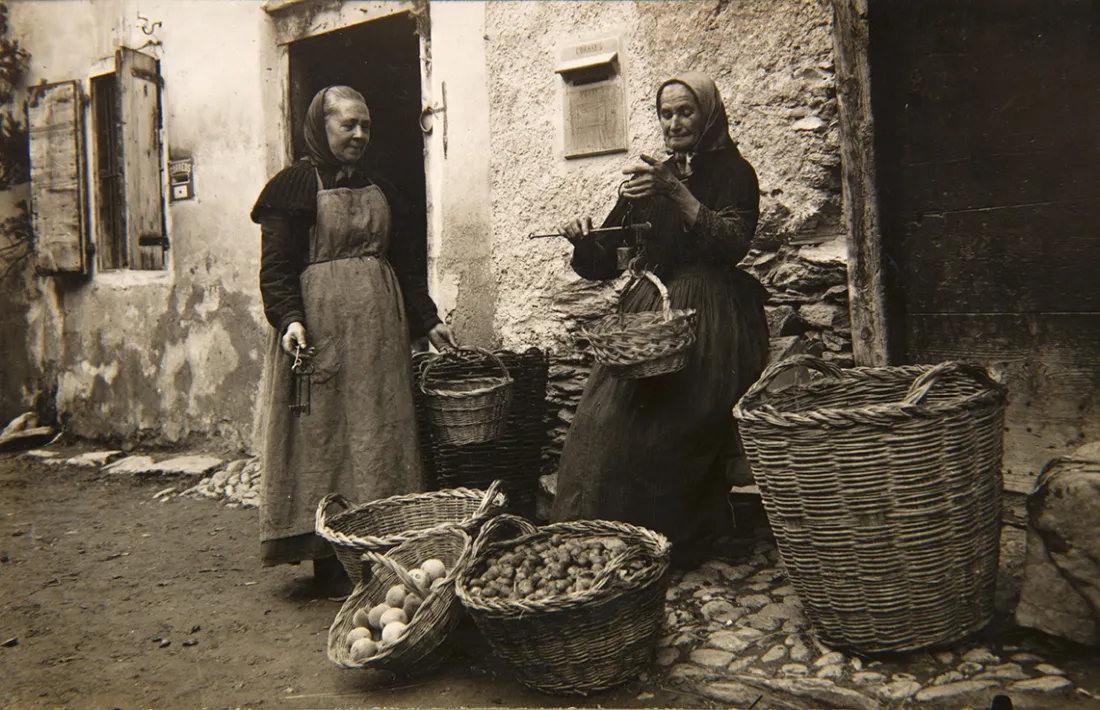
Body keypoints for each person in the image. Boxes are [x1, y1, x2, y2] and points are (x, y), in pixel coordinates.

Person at [550, 72, 770, 567]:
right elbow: (602, 262)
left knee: (668, 421)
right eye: (666, 113)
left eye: (685, 111)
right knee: (600, 420)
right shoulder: (650, 177)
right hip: (654, 314)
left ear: (708, 114)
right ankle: (608, 543)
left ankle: (669, 539)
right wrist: (583, 239)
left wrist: (676, 192)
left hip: (712, 315)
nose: (674, 122)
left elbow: (732, 243)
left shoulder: (734, 173)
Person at [250, 86, 456, 595]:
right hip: (319, 331)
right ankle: (326, 553)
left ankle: (384, 545)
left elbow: (406, 263)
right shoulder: (293, 187)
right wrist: (289, 320)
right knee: (325, 436)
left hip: (378, 332)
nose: (360, 135)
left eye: (365, 125)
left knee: (377, 432)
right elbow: (276, 268)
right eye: (348, 126)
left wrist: (426, 319)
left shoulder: (380, 186)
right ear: (322, 129)